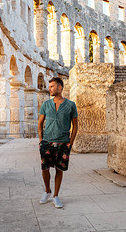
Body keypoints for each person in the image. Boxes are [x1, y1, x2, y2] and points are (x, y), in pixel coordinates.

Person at [38, 77, 78, 208]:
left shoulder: (71, 105)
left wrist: (70, 144)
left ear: (60, 88)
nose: (49, 89)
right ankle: (47, 190)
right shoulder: (46, 104)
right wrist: (41, 141)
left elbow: (75, 126)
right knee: (45, 168)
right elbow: (40, 124)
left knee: (59, 169)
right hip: (47, 142)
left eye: (52, 86)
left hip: (63, 143)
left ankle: (55, 195)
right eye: (49, 86)